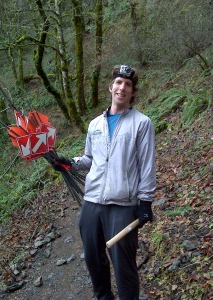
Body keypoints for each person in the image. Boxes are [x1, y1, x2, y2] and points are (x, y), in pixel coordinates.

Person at [53, 65, 156, 300]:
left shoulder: (141, 123)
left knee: (123, 264)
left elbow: (147, 165)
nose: (122, 87)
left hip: (122, 204)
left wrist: (146, 202)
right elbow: (90, 159)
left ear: (132, 92)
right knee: (93, 258)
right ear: (111, 87)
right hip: (92, 201)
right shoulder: (95, 125)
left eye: (127, 85)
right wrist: (69, 163)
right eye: (118, 83)